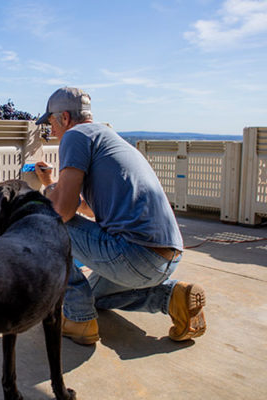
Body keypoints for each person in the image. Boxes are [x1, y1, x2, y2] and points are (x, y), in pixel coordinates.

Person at [34, 87, 206, 345]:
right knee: (96, 296)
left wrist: (47, 191)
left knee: (45, 223)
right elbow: (89, 210)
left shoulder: (75, 136)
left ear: (66, 118)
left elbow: (63, 213)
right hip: (166, 257)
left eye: (51, 123)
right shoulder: (109, 137)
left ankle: (79, 320)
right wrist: (52, 183)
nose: (52, 130)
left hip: (134, 256)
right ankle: (173, 297)